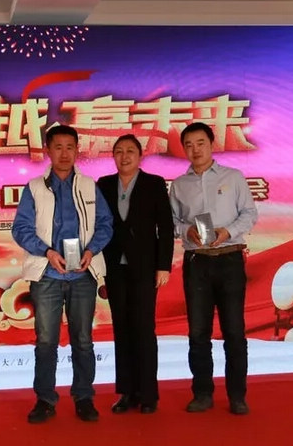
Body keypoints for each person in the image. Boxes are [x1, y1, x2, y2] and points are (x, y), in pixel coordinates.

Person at [12, 124, 113, 424]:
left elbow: (105, 224)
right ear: (48, 150)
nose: (65, 153)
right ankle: (45, 400)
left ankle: (84, 397)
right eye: (58, 147)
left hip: (83, 275)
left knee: (83, 340)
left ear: (77, 150)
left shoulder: (89, 186)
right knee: (46, 341)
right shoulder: (34, 188)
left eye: (70, 147)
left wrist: (91, 251)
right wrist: (47, 252)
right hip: (47, 276)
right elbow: (21, 229)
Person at [169, 122, 258, 415]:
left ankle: (237, 396)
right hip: (197, 262)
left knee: (234, 331)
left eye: (200, 143)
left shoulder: (233, 177)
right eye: (189, 145)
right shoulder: (179, 185)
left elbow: (249, 213)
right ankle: (202, 393)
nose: (195, 150)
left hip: (230, 259)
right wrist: (186, 231)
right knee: (198, 332)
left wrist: (227, 232)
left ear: (211, 144)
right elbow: (172, 221)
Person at [97, 134, 174, 414]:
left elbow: (166, 227)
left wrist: (163, 265)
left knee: (143, 328)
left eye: (130, 151)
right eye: (119, 151)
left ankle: (148, 394)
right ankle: (127, 392)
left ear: (140, 155)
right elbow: (99, 225)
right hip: (114, 267)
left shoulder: (154, 184)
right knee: (122, 328)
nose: (124, 156)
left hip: (144, 266)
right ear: (113, 156)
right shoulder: (104, 184)